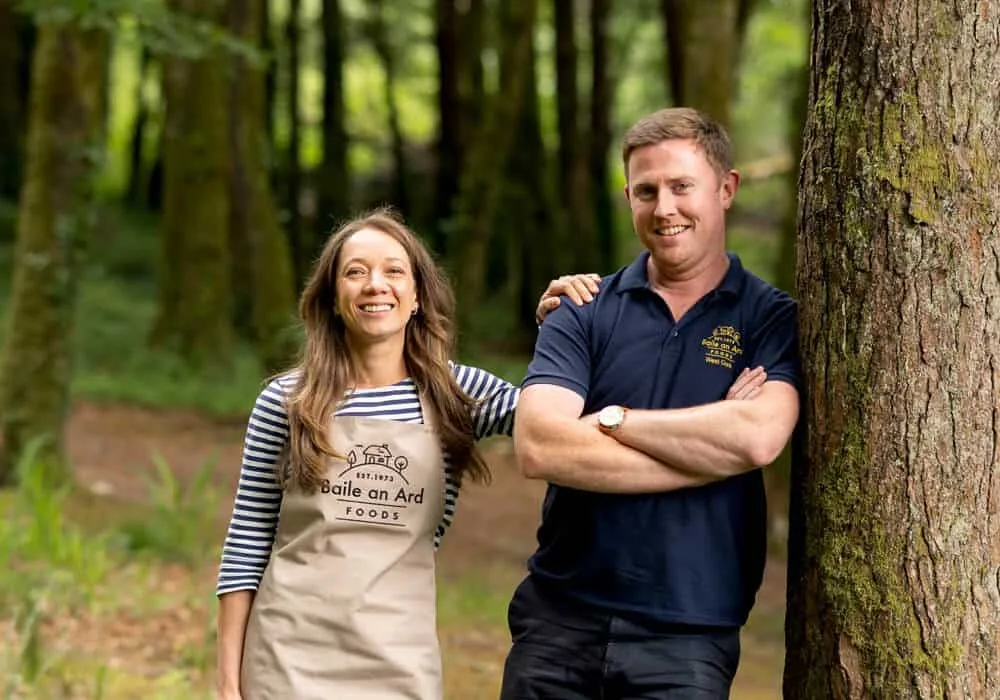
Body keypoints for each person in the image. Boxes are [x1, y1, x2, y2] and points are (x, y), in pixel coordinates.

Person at [213, 208, 601, 700]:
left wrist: (566, 322)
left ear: (417, 296)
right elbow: (246, 543)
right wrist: (228, 682)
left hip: (398, 659)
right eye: (355, 272)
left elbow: (561, 420)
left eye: (394, 271)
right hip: (288, 656)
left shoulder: (458, 393)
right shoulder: (286, 401)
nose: (376, 285)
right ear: (333, 298)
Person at [502, 107, 801, 699]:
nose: (664, 208)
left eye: (681, 186)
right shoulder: (580, 309)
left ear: (727, 188)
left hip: (689, 634)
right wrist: (709, 449)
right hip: (557, 623)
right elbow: (539, 446)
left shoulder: (770, 319)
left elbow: (757, 439)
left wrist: (612, 421)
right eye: (646, 191)